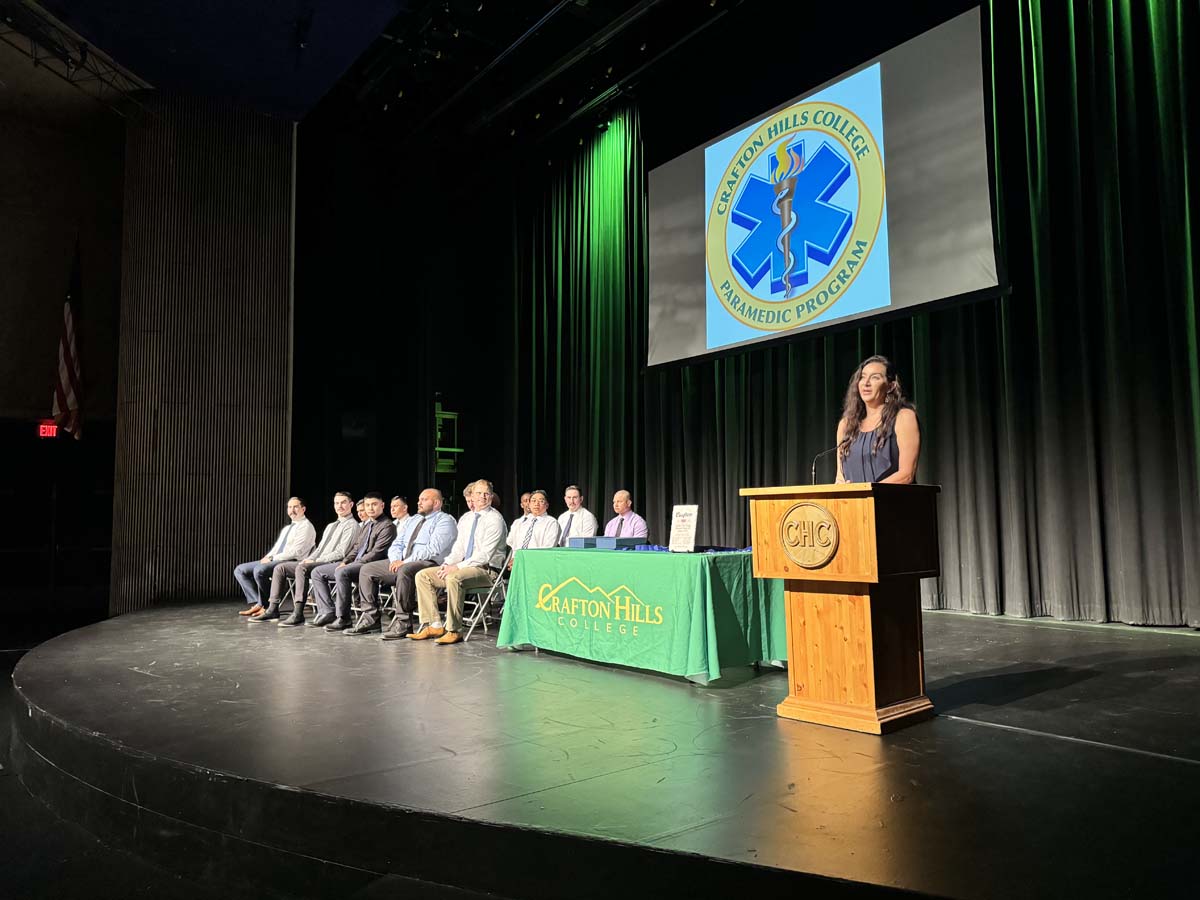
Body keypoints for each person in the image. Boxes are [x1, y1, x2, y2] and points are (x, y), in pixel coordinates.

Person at [349, 488, 458, 637]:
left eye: (424, 499)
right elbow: (397, 543)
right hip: (402, 561)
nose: (419, 502)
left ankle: (404, 623)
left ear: (437, 503)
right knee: (367, 569)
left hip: (429, 563)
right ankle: (371, 619)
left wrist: (405, 561)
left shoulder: (445, 520)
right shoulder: (414, 520)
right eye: (419, 499)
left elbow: (434, 549)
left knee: (405, 569)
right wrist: (395, 559)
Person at [411, 479, 507, 645]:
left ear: (491, 497)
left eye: (486, 494)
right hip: (464, 567)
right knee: (423, 576)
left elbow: (484, 555)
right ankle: (434, 624)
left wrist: (456, 567)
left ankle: (454, 630)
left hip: (487, 571)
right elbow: (459, 548)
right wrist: (447, 564)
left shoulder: (495, 519)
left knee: (453, 577)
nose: (482, 497)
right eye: (478, 493)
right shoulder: (467, 518)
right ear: (472, 495)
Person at [254, 492, 358, 624]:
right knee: (281, 568)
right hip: (317, 561)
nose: (339, 506)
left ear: (351, 505)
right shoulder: (331, 525)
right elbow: (320, 549)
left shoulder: (352, 525)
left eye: (343, 502)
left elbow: (341, 552)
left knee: (302, 568)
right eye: (336, 503)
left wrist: (315, 561)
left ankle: (298, 613)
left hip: (333, 563)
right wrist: (309, 558)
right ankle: (273, 609)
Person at [309, 492, 395, 631]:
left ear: (382, 505)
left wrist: (354, 563)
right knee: (317, 572)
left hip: (370, 565)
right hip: (355, 563)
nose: (370, 508)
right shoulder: (367, 525)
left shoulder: (387, 526)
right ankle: (327, 611)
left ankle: (344, 618)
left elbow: (377, 553)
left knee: (342, 572)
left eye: (374, 504)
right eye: (367, 505)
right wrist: (346, 560)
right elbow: (356, 548)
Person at [834, 354, 920, 484]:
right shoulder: (846, 425)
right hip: (854, 503)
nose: (866, 383)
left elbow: (906, 475)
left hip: (893, 501)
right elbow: (840, 477)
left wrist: (867, 495)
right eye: (862, 377)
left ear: (891, 386)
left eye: (875, 378)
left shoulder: (904, 417)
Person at [233, 497, 316, 617]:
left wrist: (272, 559)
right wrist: (267, 557)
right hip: (278, 558)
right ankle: (259, 604)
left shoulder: (306, 527)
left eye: (295, 507)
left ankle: (267, 607)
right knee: (240, 570)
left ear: (303, 509)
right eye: (289, 507)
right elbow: (277, 547)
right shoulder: (288, 528)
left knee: (260, 570)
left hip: (292, 561)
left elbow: (296, 552)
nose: (292, 510)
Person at [508, 489, 561, 553]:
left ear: (547, 505)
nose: (536, 504)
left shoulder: (551, 522)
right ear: (529, 504)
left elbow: (548, 547)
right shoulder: (523, 521)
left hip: (537, 560)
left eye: (541, 501)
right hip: (519, 558)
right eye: (533, 501)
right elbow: (513, 543)